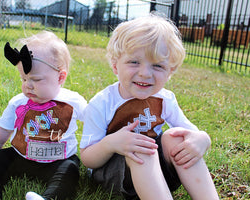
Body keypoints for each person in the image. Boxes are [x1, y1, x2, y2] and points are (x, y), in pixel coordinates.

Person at [80, 14, 219, 200]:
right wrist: (111, 143)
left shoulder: (165, 99)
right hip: (116, 177)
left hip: (158, 175)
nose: (145, 73)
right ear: (115, 66)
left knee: (176, 137)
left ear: (170, 72)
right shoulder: (102, 103)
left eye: (157, 66)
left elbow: (189, 133)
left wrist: (203, 139)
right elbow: (88, 158)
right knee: (140, 146)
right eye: (134, 62)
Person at [0, 31, 87, 200]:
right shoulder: (18, 102)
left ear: (60, 77)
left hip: (59, 160)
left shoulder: (73, 100)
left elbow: (94, 121)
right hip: (21, 156)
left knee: (70, 171)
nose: (28, 86)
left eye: (36, 79)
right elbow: (0, 134)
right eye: (24, 79)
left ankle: (49, 198)